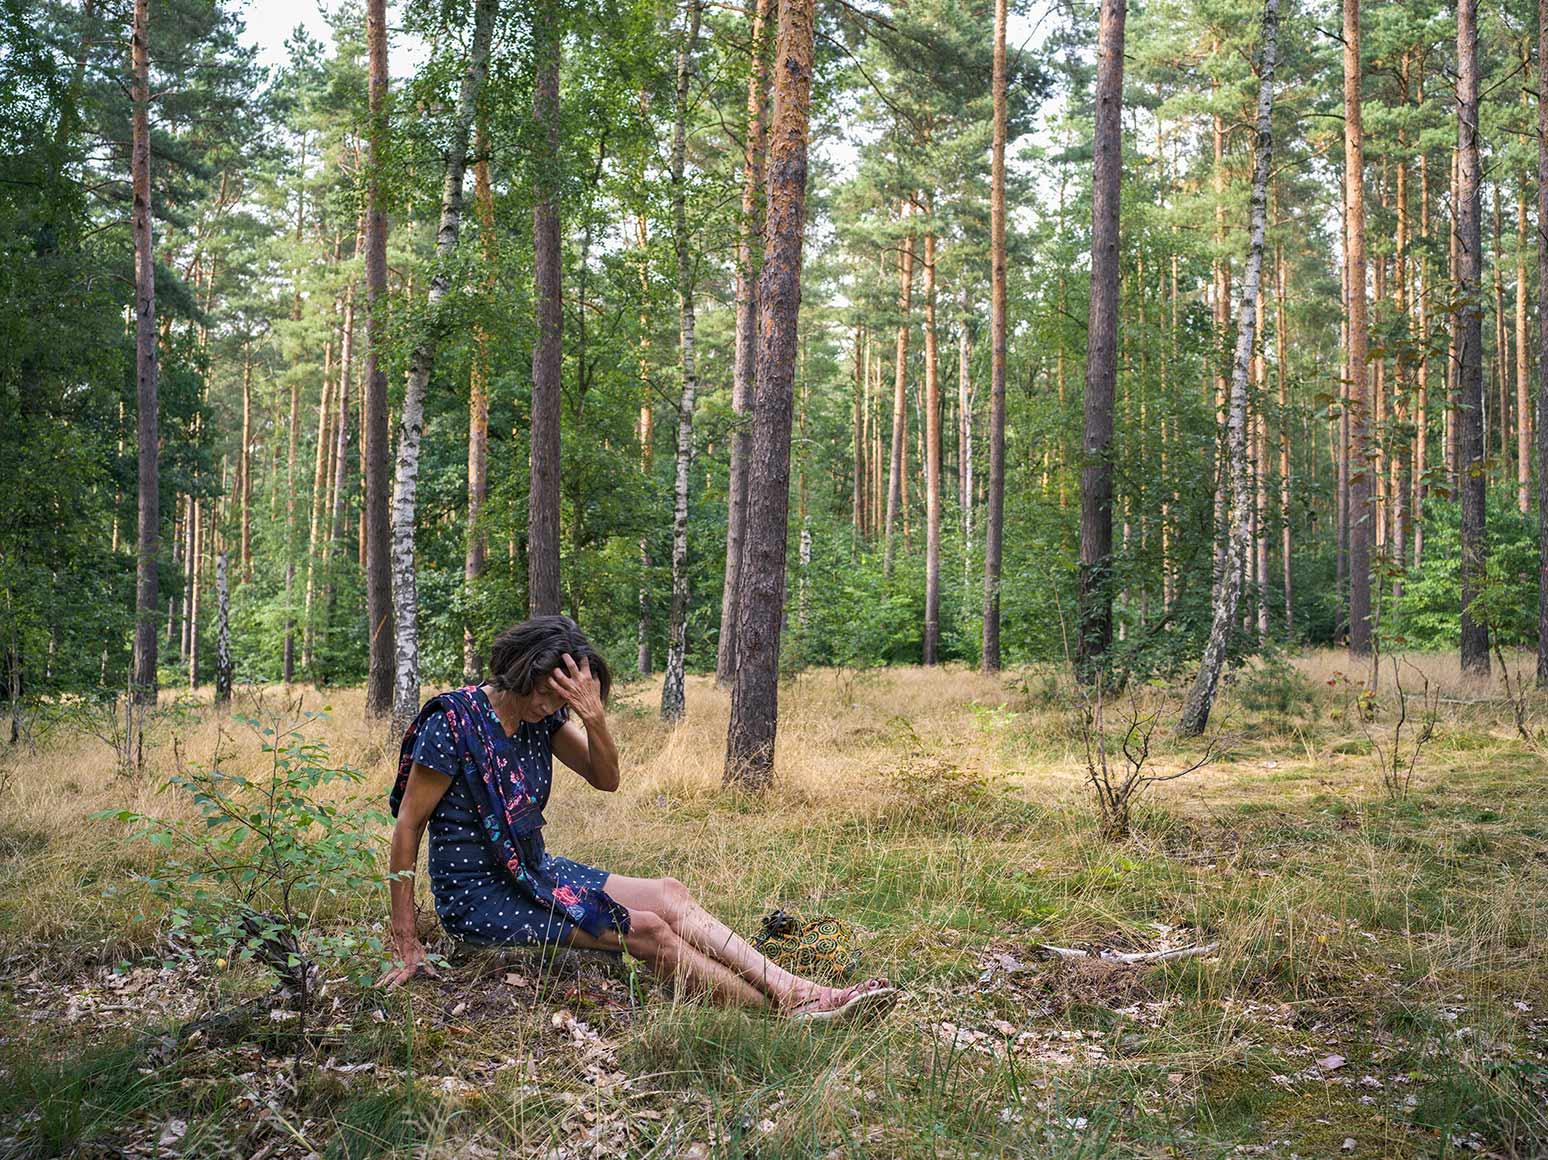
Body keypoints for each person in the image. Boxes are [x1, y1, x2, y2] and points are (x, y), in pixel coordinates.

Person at [378, 615, 895, 1021]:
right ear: (522, 672)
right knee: (647, 930)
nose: (554, 705)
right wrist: (406, 937)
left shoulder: (542, 718)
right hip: (480, 898)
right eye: (549, 692)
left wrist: (594, 717)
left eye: (567, 696)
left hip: (534, 872)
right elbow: (407, 826)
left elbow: (605, 778)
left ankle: (801, 991)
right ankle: (783, 1014)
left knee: (669, 894)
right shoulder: (453, 722)